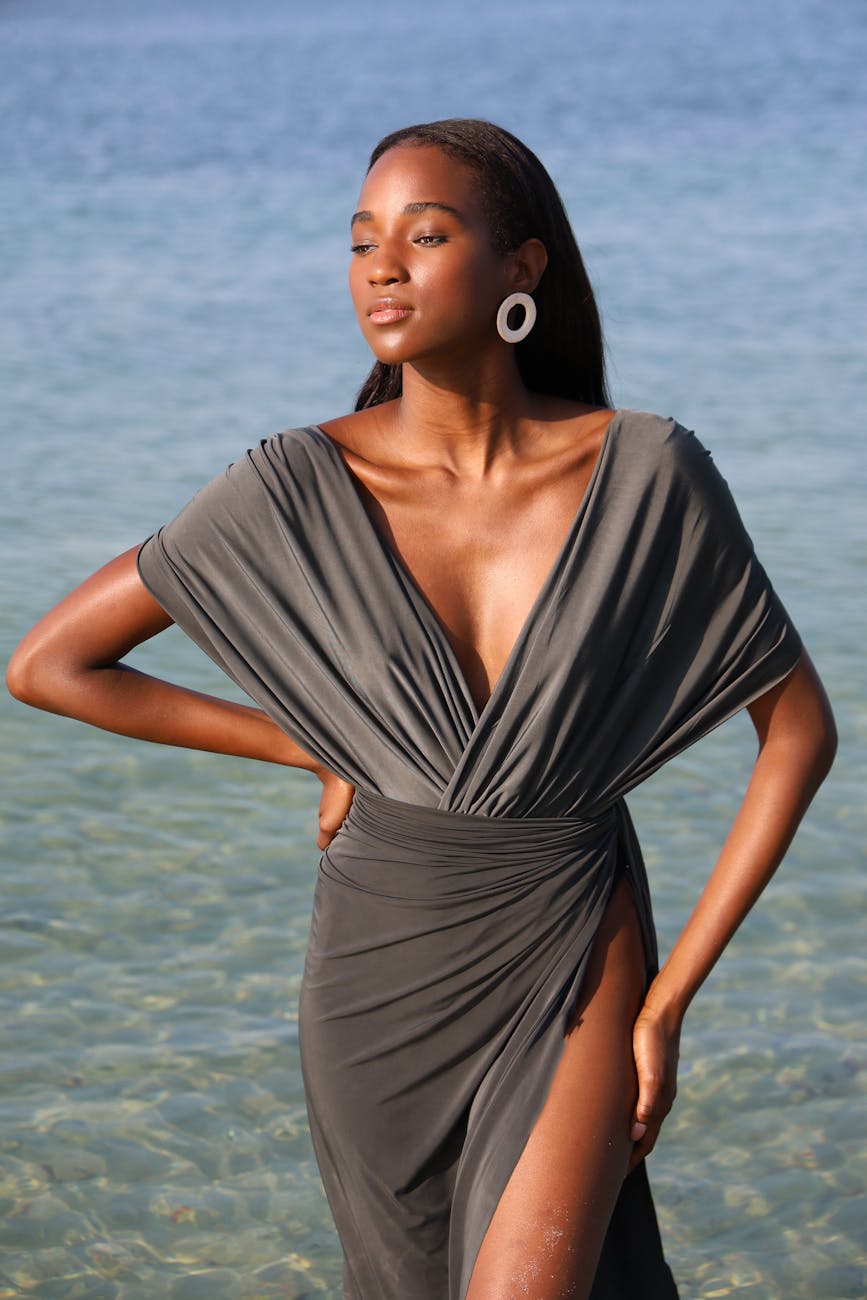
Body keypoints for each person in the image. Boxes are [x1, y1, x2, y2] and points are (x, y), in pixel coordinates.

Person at [6, 119, 836, 1300]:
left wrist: (669, 998)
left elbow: (797, 729)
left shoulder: (650, 472)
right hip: (376, 976)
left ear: (521, 270)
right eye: (360, 243)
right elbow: (49, 664)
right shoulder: (295, 484)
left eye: (426, 234)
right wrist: (306, 744)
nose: (381, 267)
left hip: (575, 943)